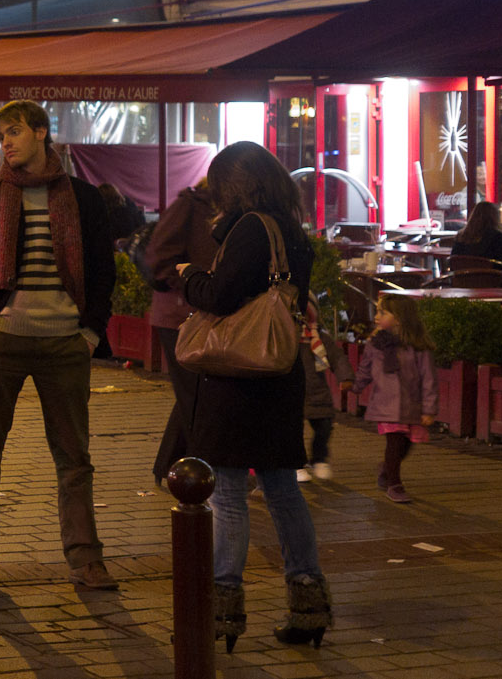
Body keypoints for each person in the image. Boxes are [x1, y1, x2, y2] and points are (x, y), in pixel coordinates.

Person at [0, 100, 117, 593]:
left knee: (73, 459)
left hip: (66, 342)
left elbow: (102, 273)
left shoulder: (84, 200)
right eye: (2, 135)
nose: (8, 142)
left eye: (17, 131)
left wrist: (90, 334)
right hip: (3, 341)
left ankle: (86, 560)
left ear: (42, 132)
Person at [178, 141, 328, 652]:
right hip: (279, 378)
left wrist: (190, 278)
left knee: (229, 495)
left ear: (235, 185)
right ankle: (308, 605)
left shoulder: (250, 229)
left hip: (237, 382)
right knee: (284, 492)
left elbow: (220, 296)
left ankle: (222, 610)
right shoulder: (293, 232)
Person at [147, 181, 219, 485]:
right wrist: (189, 286)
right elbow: (158, 257)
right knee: (197, 394)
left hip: (200, 311)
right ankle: (203, 473)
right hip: (179, 314)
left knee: (194, 392)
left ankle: (170, 466)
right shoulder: (190, 205)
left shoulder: (220, 210)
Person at [356, 295, 438, 503]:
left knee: (406, 444)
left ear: (400, 318)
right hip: (386, 404)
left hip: (411, 405)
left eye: (382, 313)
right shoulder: (376, 345)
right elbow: (366, 369)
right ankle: (395, 484)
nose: (376, 317)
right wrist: (355, 385)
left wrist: (429, 409)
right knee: (394, 443)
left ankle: (387, 469)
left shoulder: (418, 347)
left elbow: (428, 378)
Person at [298, 306, 352, 483]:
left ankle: (319, 459)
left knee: (324, 426)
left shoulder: (319, 336)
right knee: (292, 431)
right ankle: (297, 464)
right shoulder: (284, 335)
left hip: (317, 390)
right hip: (291, 392)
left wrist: (345, 376)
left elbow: (337, 356)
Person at [450, 200, 502, 285]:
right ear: (495, 218)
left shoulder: (461, 236)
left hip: (462, 283)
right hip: (492, 284)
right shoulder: (496, 237)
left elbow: (453, 260)